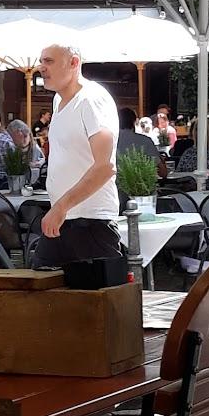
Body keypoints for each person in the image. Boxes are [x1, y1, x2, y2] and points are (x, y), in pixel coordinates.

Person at [35, 42, 122, 265]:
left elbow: (105, 167)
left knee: (97, 292)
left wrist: (61, 207)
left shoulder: (92, 99)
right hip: (64, 220)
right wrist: (60, 209)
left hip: (91, 223)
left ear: (74, 63)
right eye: (41, 61)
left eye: (49, 61)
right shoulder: (58, 100)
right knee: (37, 284)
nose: (42, 67)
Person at [0, 118, 45, 187]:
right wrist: (32, 165)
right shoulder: (7, 143)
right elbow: (17, 169)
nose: (25, 140)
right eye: (24, 136)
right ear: (18, 132)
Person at [175, 116, 209, 188]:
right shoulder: (189, 152)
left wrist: (195, 182)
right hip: (186, 190)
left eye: (202, 129)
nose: (198, 133)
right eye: (196, 129)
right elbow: (178, 173)